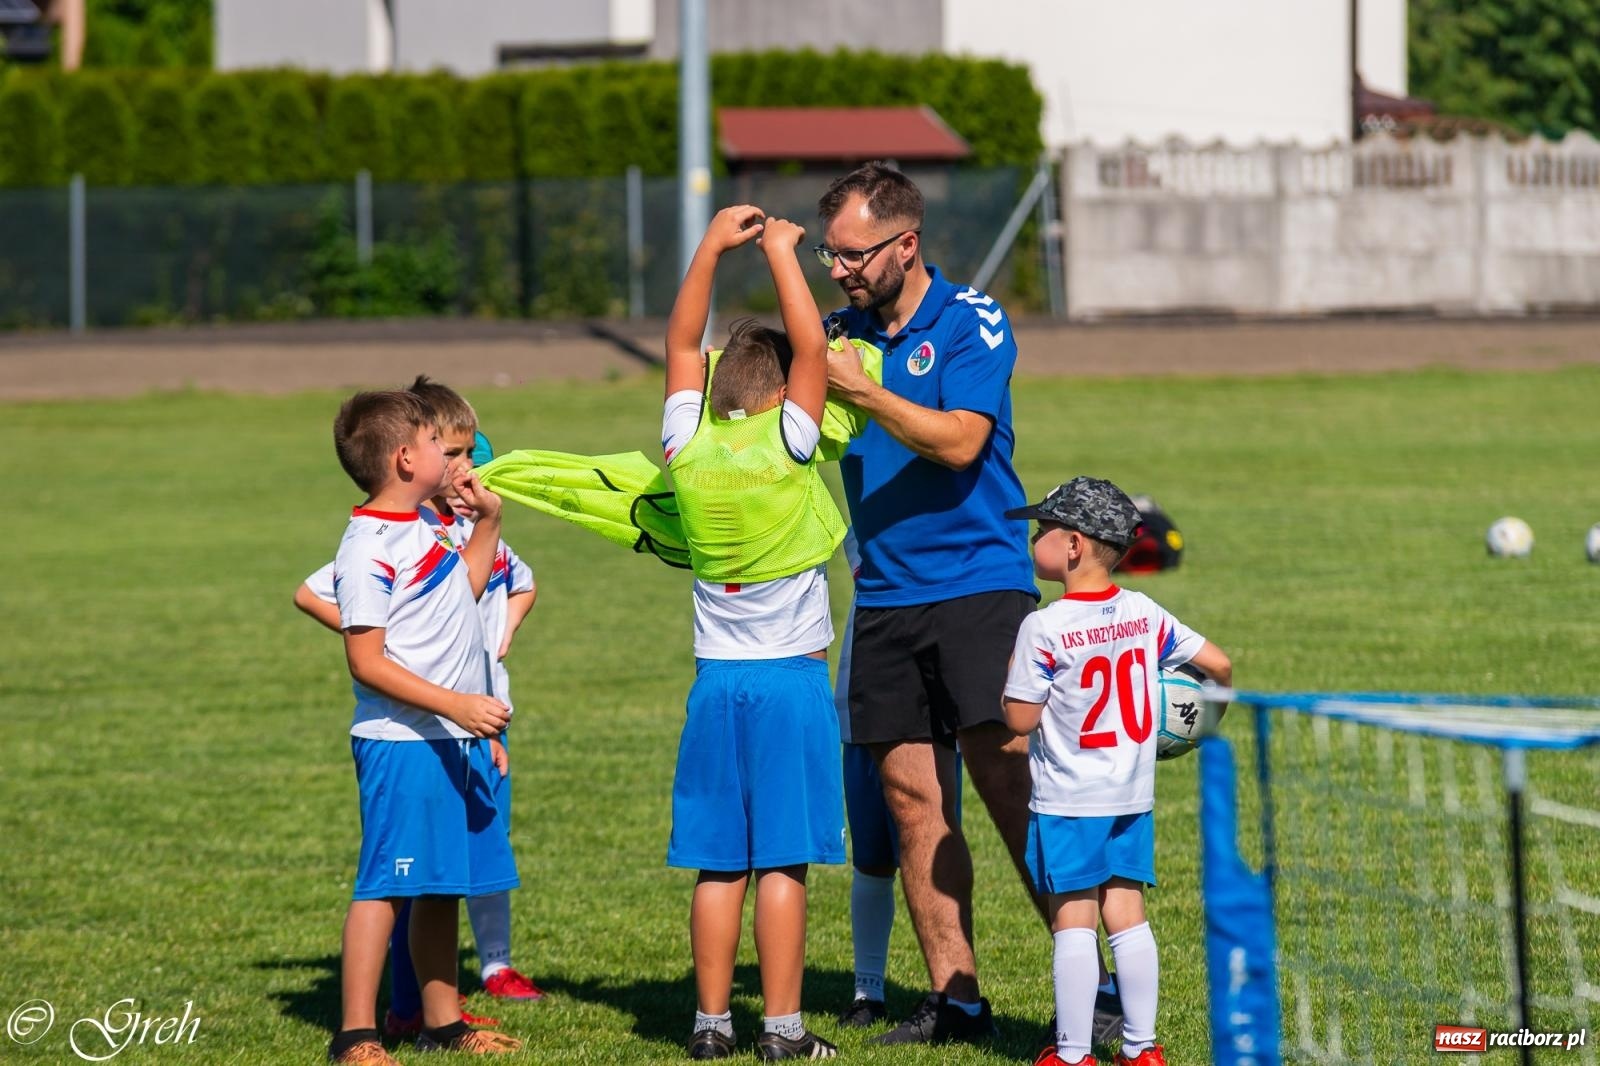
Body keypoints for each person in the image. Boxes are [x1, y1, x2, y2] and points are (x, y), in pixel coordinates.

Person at [816, 160, 1046, 1044]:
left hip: (979, 589)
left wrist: (866, 393)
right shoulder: (836, 330)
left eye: (852, 254)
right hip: (882, 598)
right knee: (914, 804)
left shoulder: (970, 320)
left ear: (905, 244)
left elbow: (961, 443)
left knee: (1008, 789)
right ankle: (959, 1000)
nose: (839, 270)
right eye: (830, 254)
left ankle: (1096, 979)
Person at [295, 378, 543, 1035]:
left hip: (445, 739)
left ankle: (444, 1025)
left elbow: (466, 587)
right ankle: (357, 1035)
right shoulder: (368, 546)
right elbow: (367, 662)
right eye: (438, 442)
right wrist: (458, 705)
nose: (456, 453)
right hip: (401, 743)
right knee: (385, 889)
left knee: (439, 886)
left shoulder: (420, 532)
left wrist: (489, 521)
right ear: (407, 459)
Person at [661, 205, 846, 1061]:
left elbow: (676, 343)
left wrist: (708, 248)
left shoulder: (687, 443)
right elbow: (814, 350)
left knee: (717, 863)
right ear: (778, 398)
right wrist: (781, 252)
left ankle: (708, 1026)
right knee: (782, 861)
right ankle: (782, 1029)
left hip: (715, 682)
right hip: (789, 682)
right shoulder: (790, 440)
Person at [1000, 476, 1232, 1066]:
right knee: (1127, 917)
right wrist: (1204, 724)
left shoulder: (1044, 627)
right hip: (1132, 794)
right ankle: (1141, 1048)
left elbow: (1021, 719)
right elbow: (1219, 664)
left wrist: (1012, 687)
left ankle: (1073, 1054)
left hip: (1069, 800)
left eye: (1042, 529)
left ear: (1073, 545)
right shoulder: (1141, 609)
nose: (1033, 537)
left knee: (1073, 923)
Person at [833, 527, 965, 1030]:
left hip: (931, 702)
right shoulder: (868, 523)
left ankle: (953, 988)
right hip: (866, 695)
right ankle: (868, 991)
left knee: (933, 841)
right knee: (871, 857)